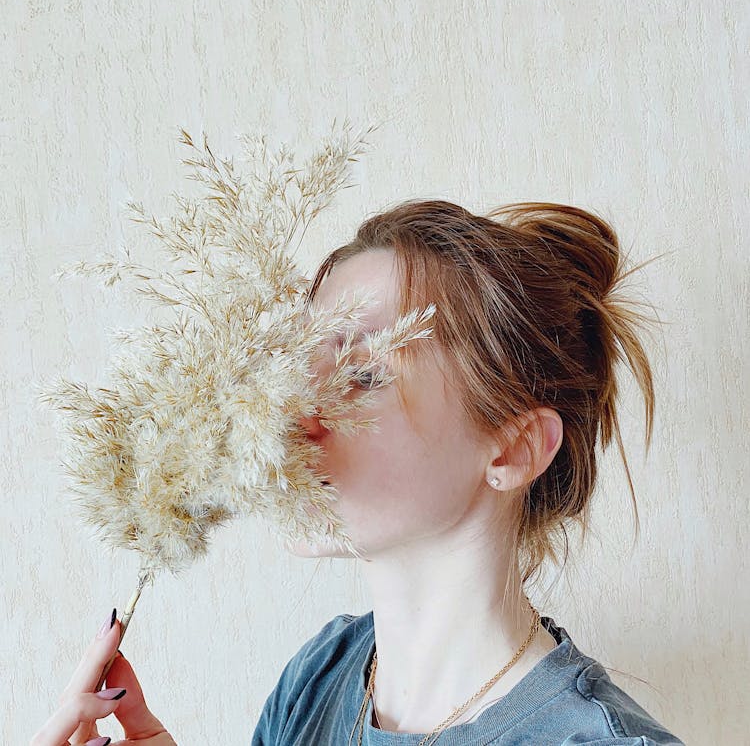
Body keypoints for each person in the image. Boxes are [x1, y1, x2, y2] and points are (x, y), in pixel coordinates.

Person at [31, 200, 685, 746]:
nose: (290, 409)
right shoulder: (321, 677)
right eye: (300, 363)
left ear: (512, 449)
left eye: (362, 372)